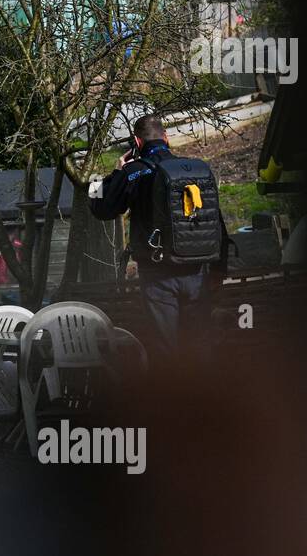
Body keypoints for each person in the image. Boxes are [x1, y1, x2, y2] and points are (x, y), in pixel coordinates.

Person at [88, 114, 223, 374]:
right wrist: (219, 266)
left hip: (158, 273)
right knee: (200, 345)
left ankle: (170, 405)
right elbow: (214, 219)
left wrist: (108, 175)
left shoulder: (133, 172)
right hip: (197, 269)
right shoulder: (193, 169)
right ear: (166, 138)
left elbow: (101, 209)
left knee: (165, 348)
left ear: (137, 142)